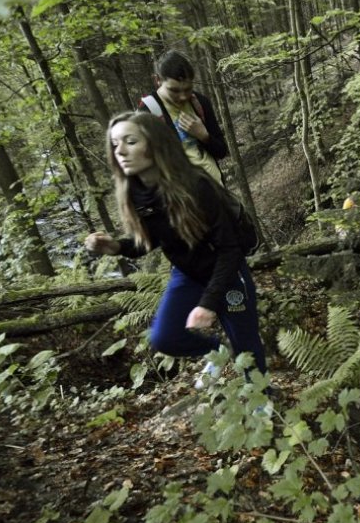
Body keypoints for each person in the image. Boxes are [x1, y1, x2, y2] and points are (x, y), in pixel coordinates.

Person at [84, 111, 267, 384]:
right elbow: (152, 240)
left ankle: (262, 405)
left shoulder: (196, 184)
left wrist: (209, 303)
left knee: (246, 345)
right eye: (114, 144)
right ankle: (217, 352)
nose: (120, 150)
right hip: (187, 272)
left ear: (155, 144)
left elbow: (230, 249)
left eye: (130, 141)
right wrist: (115, 247)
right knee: (165, 337)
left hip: (227, 272)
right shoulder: (135, 191)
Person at [137, 50, 227, 185]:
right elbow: (145, 168)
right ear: (157, 80)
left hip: (217, 187)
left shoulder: (200, 102)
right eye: (174, 90)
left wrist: (204, 136)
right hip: (184, 199)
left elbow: (221, 151)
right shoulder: (147, 113)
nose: (183, 96)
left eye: (188, 89)